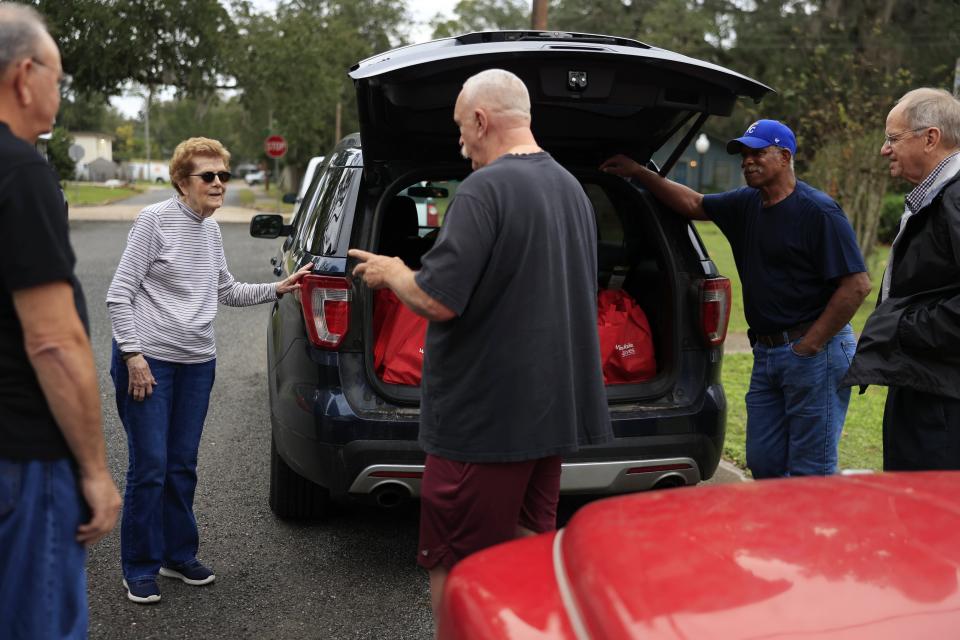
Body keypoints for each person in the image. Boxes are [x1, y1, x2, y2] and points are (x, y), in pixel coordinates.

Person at [349, 68, 612, 626]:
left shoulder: (485, 189)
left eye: (459, 127)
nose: (459, 141)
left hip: (483, 423)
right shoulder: (571, 188)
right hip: (548, 413)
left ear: (481, 119)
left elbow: (437, 299)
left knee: (457, 561)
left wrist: (393, 271)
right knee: (524, 550)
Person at [601, 119, 871, 479]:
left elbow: (857, 285)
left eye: (757, 152)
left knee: (811, 471)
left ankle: (806, 535)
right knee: (764, 462)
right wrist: (640, 174)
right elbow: (694, 203)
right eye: (744, 155)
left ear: (785, 156)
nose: (747, 161)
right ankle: (776, 532)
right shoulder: (747, 203)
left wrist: (810, 345)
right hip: (769, 354)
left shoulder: (818, 212)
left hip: (815, 354)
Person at [106, 137, 311, 604]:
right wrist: (132, 356)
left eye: (224, 175)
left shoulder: (211, 231)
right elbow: (119, 293)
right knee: (151, 467)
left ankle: (177, 555)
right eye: (208, 176)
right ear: (183, 181)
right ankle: (138, 565)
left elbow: (226, 290)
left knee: (182, 465)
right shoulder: (154, 222)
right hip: (149, 361)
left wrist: (279, 287)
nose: (219, 183)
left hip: (197, 363)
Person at [0, 4, 121, 637]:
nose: (58, 90)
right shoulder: (20, 172)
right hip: (23, 459)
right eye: (58, 76)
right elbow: (52, 340)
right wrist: (96, 472)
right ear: (24, 76)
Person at [842, 88, 960, 470]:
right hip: (926, 383)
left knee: (930, 518)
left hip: (942, 399)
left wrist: (905, 329)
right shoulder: (936, 196)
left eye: (893, 138)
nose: (883, 149)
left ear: (931, 138)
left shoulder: (955, 198)